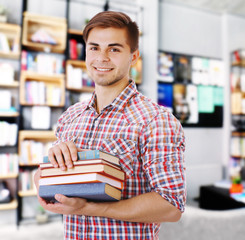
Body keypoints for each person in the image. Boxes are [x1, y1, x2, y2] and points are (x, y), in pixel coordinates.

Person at [33, 11, 186, 240]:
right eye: (94, 48)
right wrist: (50, 167)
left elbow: (171, 205)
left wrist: (88, 208)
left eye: (114, 49)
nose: (101, 57)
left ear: (133, 56)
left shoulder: (156, 120)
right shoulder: (70, 117)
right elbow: (42, 180)